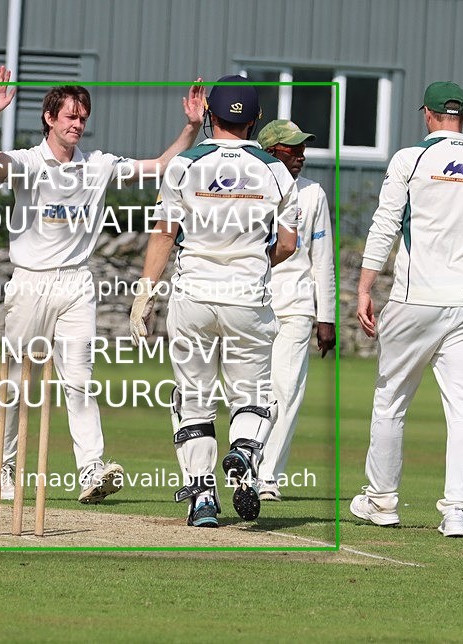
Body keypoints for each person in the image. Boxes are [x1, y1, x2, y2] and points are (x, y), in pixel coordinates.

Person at [0, 66, 205, 504]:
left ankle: (91, 470)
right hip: (31, 282)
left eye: (82, 118)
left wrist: (191, 127)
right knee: (19, 383)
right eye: (69, 117)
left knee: (80, 380)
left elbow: (160, 166)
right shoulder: (28, 162)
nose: (77, 124)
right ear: (50, 118)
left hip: (78, 284)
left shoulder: (97, 166)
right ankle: (0, 468)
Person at [129, 75, 299, 528]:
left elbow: (165, 233)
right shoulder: (276, 170)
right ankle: (243, 451)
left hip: (193, 298)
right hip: (247, 299)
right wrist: (254, 260)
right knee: (252, 395)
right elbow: (287, 245)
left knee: (194, 398)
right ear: (256, 120)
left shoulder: (184, 165)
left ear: (210, 117)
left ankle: (202, 498)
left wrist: (144, 294)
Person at [350, 81, 463, 538]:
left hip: (414, 299)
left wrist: (365, 286)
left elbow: (385, 226)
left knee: (391, 400)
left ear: (429, 114)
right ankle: (457, 511)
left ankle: (381, 501)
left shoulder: (410, 159)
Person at [254, 119, 336, 502]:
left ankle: (268, 475)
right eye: (292, 149)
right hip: (251, 304)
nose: (300, 156)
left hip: (297, 306)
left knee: (287, 392)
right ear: (270, 152)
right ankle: (246, 462)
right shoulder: (249, 188)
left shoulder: (313, 194)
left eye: (303, 149)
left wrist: (327, 317)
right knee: (252, 393)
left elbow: (323, 260)